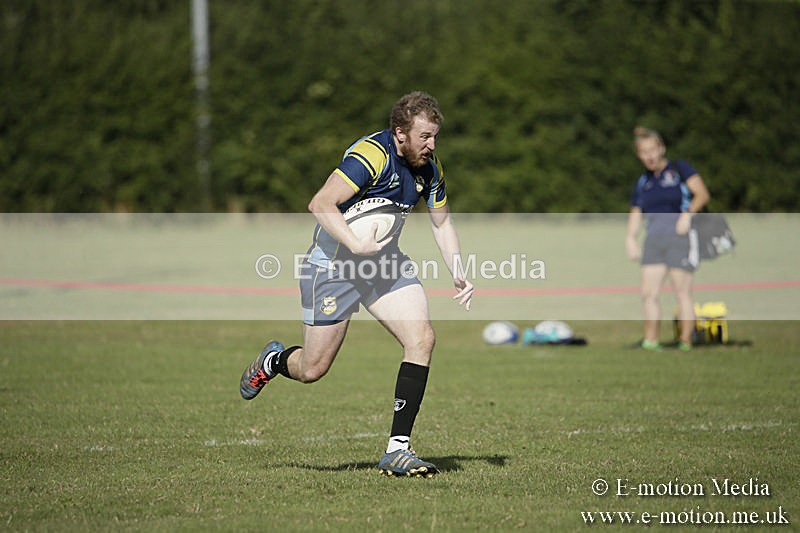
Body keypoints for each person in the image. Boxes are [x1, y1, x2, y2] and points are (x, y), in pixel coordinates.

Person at [239, 91, 474, 477]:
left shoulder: (429, 167)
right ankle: (275, 360)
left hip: (384, 264)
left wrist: (458, 271)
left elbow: (442, 221)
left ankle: (398, 449)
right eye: (425, 137)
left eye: (435, 136)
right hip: (332, 267)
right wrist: (356, 245)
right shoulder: (372, 156)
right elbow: (320, 204)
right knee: (313, 368)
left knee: (422, 339)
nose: (432, 145)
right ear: (400, 133)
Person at [625, 126, 710, 351]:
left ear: (661, 148)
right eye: (644, 152)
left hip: (680, 238)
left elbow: (702, 194)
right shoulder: (643, 182)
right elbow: (636, 212)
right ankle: (650, 341)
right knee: (648, 294)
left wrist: (687, 216)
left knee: (682, 292)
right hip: (654, 240)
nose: (650, 156)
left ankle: (685, 342)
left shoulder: (679, 169)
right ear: (639, 155)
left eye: (653, 150)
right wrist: (631, 239)